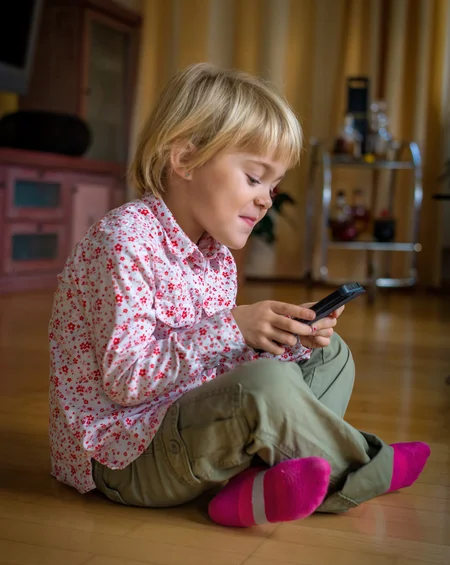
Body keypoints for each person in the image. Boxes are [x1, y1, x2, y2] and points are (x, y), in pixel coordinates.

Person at [48, 63, 430, 527]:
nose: (267, 199)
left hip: (191, 433)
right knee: (268, 386)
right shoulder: (124, 239)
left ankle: (251, 490)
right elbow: (128, 382)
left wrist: (282, 335)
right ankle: (364, 467)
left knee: (330, 358)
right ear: (185, 159)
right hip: (125, 458)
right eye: (254, 178)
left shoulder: (216, 256)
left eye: (274, 185)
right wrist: (233, 328)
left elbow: (220, 368)